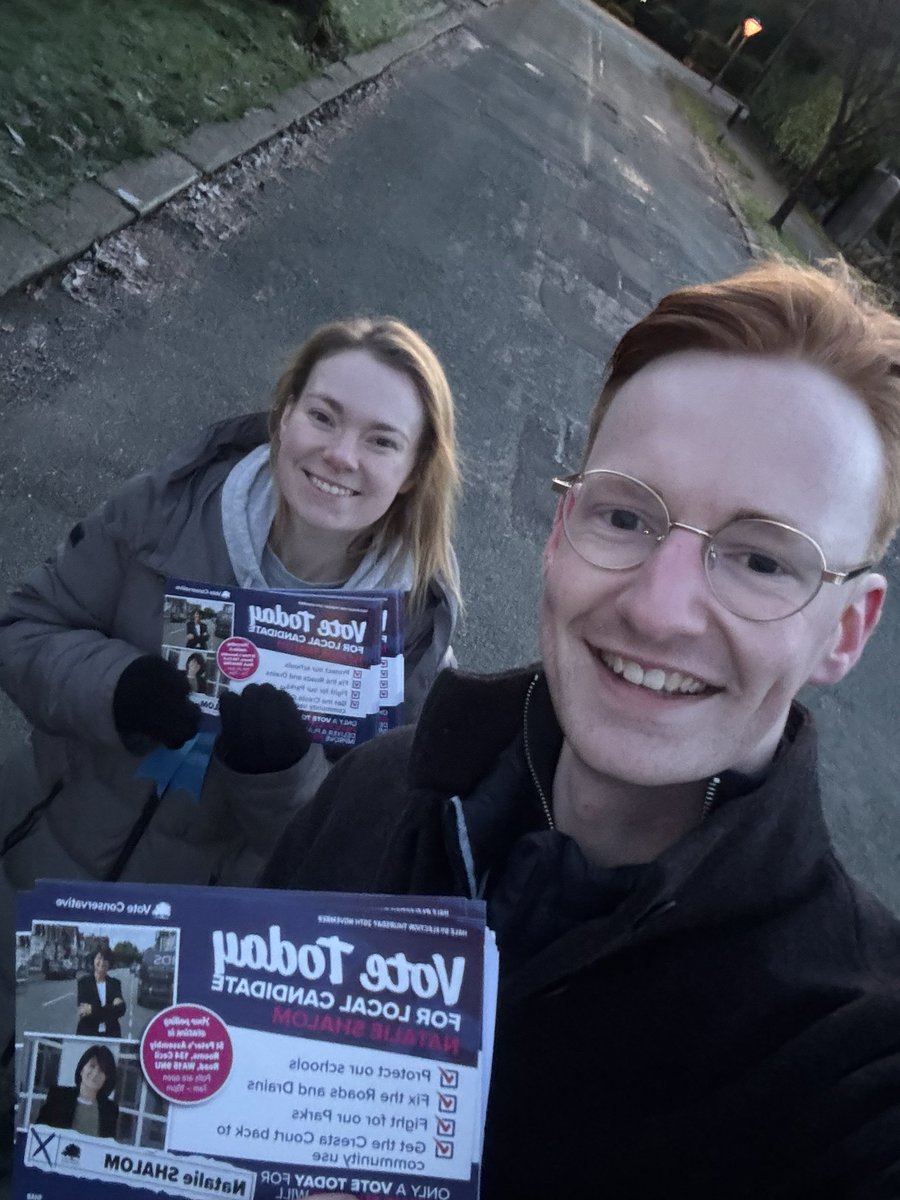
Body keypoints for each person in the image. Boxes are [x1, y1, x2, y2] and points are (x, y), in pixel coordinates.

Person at [261, 262, 900, 1199]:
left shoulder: (844, 1053)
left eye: (763, 559)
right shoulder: (378, 785)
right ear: (562, 529)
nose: (659, 608)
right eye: (627, 515)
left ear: (844, 630)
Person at [0, 317, 460, 894]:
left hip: (182, 943)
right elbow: (22, 632)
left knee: (86, 991)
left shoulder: (410, 645)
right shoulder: (165, 509)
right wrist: (117, 686)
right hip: (31, 855)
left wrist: (283, 775)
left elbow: (355, 856)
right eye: (323, 416)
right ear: (285, 413)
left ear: (415, 471)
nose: (342, 455)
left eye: (382, 440)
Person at [37, 1044, 119, 1139]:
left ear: (107, 1078)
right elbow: (39, 1131)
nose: (95, 1073)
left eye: (102, 1070)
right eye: (92, 1066)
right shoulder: (58, 1096)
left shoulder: (110, 1110)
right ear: (82, 1069)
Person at [76, 948, 126, 1038]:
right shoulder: (83, 983)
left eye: (105, 959)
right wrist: (111, 1010)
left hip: (111, 1034)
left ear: (109, 963)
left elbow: (121, 1010)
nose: (102, 962)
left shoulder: (115, 983)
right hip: (87, 1033)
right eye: (99, 958)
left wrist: (92, 1010)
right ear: (94, 960)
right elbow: (84, 1013)